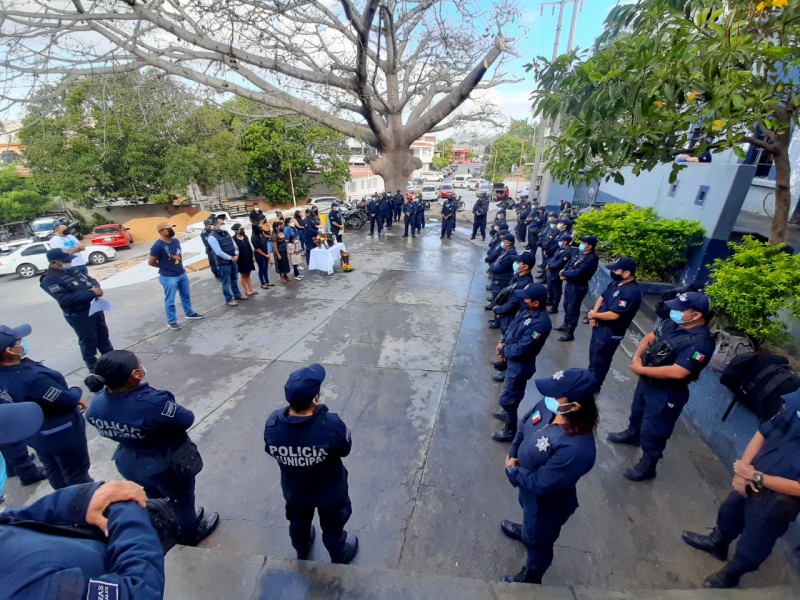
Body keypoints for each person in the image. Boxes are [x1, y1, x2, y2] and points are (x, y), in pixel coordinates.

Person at [0, 401, 176, 599]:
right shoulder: (20, 586)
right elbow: (138, 591)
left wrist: (82, 499)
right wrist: (128, 512)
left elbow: (13, 520)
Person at [85, 350, 219, 546]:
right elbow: (186, 418)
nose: (142, 365)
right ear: (135, 375)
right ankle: (190, 535)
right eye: (139, 364)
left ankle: (171, 524)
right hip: (163, 463)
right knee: (182, 500)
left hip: (129, 460)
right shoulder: (151, 403)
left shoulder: (97, 404)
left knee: (157, 499)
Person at [681, 389, 800, 589]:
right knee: (730, 511)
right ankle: (717, 543)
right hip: (753, 474)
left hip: (779, 498)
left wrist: (756, 476)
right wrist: (742, 472)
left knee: (756, 541)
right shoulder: (794, 406)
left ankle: (732, 573)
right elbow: (763, 432)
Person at [501, 368, 598, 584]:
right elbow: (526, 422)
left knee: (539, 543)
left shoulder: (576, 449)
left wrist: (512, 471)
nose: (548, 398)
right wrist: (514, 452)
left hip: (546, 504)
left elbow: (543, 484)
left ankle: (531, 577)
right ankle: (526, 530)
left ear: (574, 406)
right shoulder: (550, 406)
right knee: (528, 514)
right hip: (528, 490)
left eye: (555, 395)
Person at [608, 291, 715, 481]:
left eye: (681, 310)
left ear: (696, 315)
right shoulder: (672, 323)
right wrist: (636, 358)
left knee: (655, 428)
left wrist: (641, 370)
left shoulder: (701, 343)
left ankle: (649, 464)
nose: (674, 312)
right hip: (648, 380)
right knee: (638, 411)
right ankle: (632, 434)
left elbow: (678, 371)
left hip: (668, 391)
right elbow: (650, 338)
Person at [264, 364, 358, 564]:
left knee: (298, 523)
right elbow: (345, 449)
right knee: (333, 527)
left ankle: (302, 549)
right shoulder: (331, 425)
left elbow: (270, 449)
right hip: (330, 492)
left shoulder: (273, 424)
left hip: (296, 490)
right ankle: (339, 554)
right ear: (316, 398)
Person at [0, 323, 93, 489]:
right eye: (18, 342)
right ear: (10, 351)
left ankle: (63, 501)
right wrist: (75, 391)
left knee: (53, 469)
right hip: (59, 430)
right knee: (77, 475)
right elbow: (65, 400)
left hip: (34, 431)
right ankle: (83, 505)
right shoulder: (32, 379)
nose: (22, 344)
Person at [492, 283, 552, 442]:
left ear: (536, 303)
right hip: (512, 358)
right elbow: (513, 326)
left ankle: (510, 430)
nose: (523, 300)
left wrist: (504, 352)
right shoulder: (527, 310)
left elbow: (523, 349)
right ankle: (507, 413)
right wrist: (502, 343)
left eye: (526, 298)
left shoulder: (540, 323)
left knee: (508, 398)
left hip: (520, 365)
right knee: (510, 395)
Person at [40, 248, 114, 372]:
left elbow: (90, 280)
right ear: (54, 263)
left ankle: (112, 361)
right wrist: (91, 293)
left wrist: (96, 288)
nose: (68, 262)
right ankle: (94, 369)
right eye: (65, 261)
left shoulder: (72, 270)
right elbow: (64, 299)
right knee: (88, 341)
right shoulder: (49, 279)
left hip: (95, 308)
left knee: (103, 337)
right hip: (79, 314)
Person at [586, 257, 642, 391]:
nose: (614, 272)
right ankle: (589, 378)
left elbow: (614, 315)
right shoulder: (616, 284)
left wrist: (594, 315)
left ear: (627, 273)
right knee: (593, 355)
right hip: (600, 326)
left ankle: (595, 385)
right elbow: (602, 297)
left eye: (617, 270)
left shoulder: (631, 292)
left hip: (610, 332)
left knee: (601, 359)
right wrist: (594, 313)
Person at [148, 221, 204, 331]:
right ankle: (171, 321)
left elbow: (178, 256)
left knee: (185, 295)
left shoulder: (175, 241)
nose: (170, 230)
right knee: (170, 300)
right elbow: (151, 262)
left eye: (171, 228)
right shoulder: (157, 246)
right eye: (167, 228)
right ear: (161, 231)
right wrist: (163, 267)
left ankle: (189, 313)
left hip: (181, 273)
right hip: (169, 277)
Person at [555, 235, 599, 342]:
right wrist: (563, 271)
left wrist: (565, 273)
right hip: (570, 283)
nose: (581, 245)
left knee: (573, 309)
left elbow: (580, 272)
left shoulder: (591, 259)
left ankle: (570, 332)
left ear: (590, 246)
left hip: (578, 286)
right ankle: (565, 324)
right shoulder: (579, 253)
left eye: (584, 243)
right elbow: (570, 263)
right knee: (566, 305)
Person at [488, 251, 536, 334]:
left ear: (525, 266)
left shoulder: (525, 283)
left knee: (507, 335)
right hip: (506, 313)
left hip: (511, 316)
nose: (515, 263)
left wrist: (498, 310)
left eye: (518, 262)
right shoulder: (518, 275)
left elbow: (513, 303)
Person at [206, 216, 244, 307]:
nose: (223, 225)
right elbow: (218, 252)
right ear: (215, 225)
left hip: (233, 260)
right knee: (226, 282)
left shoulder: (226, 233)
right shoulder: (212, 237)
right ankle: (229, 299)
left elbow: (234, 244)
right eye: (221, 224)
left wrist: (236, 254)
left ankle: (237, 295)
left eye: (224, 223)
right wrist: (230, 258)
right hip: (223, 263)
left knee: (234, 279)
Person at [545, 235, 574, 314]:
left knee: (556, 291)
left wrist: (550, 266)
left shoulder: (567, 252)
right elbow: (554, 259)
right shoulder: (561, 249)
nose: (559, 242)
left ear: (565, 242)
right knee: (550, 288)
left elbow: (560, 264)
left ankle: (554, 307)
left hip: (557, 273)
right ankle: (550, 301)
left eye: (561, 240)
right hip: (551, 271)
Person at [488, 234, 518, 303]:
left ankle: (494, 304)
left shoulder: (511, 254)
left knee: (497, 291)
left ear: (508, 243)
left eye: (503, 241)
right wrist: (491, 267)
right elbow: (498, 261)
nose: (502, 243)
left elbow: (500, 267)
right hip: (499, 275)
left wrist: (491, 269)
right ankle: (494, 300)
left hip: (502, 278)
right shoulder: (506, 250)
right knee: (494, 291)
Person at [231, 223, 257, 297]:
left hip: (248, 257)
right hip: (241, 259)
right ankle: (246, 290)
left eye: (243, 228)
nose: (242, 230)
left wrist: (252, 256)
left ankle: (251, 289)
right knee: (243, 275)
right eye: (240, 229)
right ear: (236, 230)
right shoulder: (233, 239)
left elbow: (249, 247)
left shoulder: (245, 237)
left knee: (248, 274)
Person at [252, 221, 275, 289]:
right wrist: (265, 255)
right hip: (260, 255)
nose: (261, 227)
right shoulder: (254, 237)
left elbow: (265, 242)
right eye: (260, 226)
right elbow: (257, 249)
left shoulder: (262, 234)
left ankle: (267, 281)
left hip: (265, 253)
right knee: (261, 269)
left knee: (265, 268)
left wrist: (268, 253)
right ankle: (262, 283)